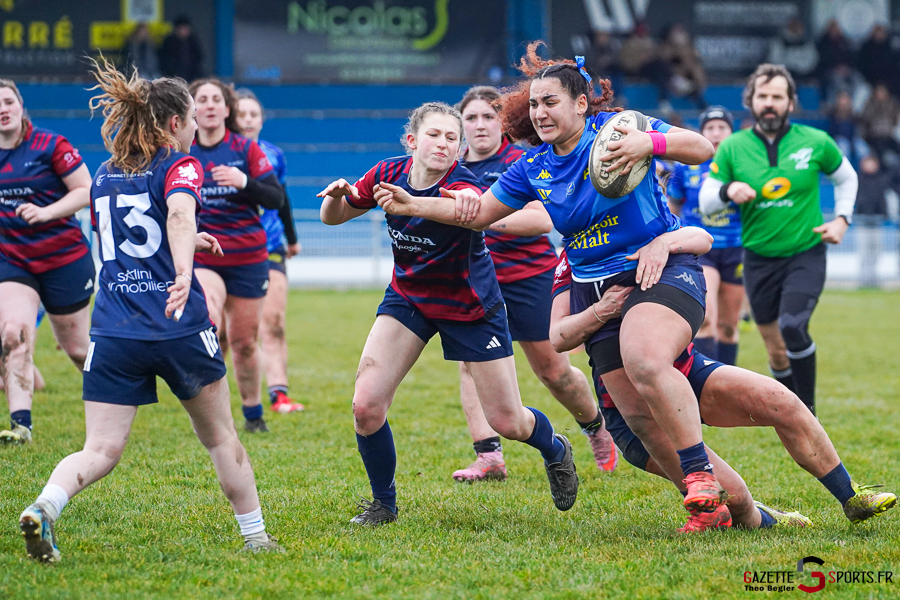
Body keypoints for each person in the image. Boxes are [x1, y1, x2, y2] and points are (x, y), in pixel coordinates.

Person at [375, 43, 732, 525]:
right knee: (623, 400)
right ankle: (712, 492)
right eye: (534, 104)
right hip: (582, 279)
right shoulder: (531, 166)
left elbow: (702, 148)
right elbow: (479, 213)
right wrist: (414, 204)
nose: (539, 113)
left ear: (581, 103)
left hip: (625, 268)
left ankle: (682, 464)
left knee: (571, 368)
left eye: (550, 102)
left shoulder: (620, 126)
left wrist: (651, 143)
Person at [17, 61, 282, 563]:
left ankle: (45, 506)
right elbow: (178, 212)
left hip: (114, 331)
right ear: (174, 124)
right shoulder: (181, 164)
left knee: (100, 449)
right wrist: (183, 270)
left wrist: (183, 240)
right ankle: (256, 536)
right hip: (176, 325)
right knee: (222, 437)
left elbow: (139, 233)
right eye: (186, 121)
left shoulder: (103, 172)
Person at [318, 101, 579, 526]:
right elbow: (336, 217)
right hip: (409, 299)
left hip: (470, 306)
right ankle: (384, 504)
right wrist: (335, 198)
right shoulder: (386, 173)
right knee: (365, 405)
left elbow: (470, 211)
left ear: (458, 150)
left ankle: (555, 448)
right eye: (434, 135)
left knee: (508, 421)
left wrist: (414, 205)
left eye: (451, 138)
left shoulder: (464, 184)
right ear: (412, 141)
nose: (443, 144)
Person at [550, 246, 897, 531]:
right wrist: (601, 310)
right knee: (737, 502)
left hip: (687, 370)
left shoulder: (650, 228)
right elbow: (558, 336)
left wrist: (663, 242)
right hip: (636, 417)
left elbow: (699, 235)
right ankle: (762, 518)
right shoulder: (574, 259)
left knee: (783, 402)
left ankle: (851, 497)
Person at [451, 86, 616, 483]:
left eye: (489, 116)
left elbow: (543, 220)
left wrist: (482, 218)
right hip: (474, 283)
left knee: (554, 372)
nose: (479, 125)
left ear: (503, 122)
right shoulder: (451, 168)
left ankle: (595, 425)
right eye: (471, 118)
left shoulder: (523, 160)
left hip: (529, 277)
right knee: (471, 366)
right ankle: (488, 456)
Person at [699, 64, 859, 416]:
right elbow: (705, 199)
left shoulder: (816, 141)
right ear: (751, 102)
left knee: (793, 326)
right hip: (756, 257)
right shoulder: (733, 148)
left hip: (806, 252)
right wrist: (728, 189)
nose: (769, 103)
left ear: (790, 103)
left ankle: (808, 414)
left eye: (777, 97)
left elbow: (847, 178)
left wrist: (843, 220)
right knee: (774, 349)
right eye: (762, 96)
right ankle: (790, 417)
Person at [189, 78, 286, 432]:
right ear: (192, 109)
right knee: (210, 323)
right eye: (202, 99)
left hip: (247, 256)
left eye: (217, 99)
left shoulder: (245, 149)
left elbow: (275, 198)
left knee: (245, 343)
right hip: (203, 254)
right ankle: (213, 416)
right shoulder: (182, 152)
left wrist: (243, 181)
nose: (210, 105)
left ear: (227, 109)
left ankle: (253, 412)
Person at [0, 79, 94, 445]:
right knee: (13, 333)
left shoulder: (51, 145)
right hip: (13, 261)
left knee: (78, 349)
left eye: (8, 101)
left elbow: (86, 190)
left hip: (63, 258)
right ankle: (21, 425)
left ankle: (116, 400)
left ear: (21, 105)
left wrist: (46, 212)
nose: (2, 109)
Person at [236, 89, 304, 414]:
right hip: (231, 249)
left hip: (270, 245)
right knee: (231, 330)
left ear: (261, 119)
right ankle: (218, 394)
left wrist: (292, 238)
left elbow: (282, 198)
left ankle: (280, 394)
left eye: (254, 114)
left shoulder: (274, 155)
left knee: (273, 321)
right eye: (242, 114)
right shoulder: (220, 155)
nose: (248, 120)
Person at [667, 106, 742, 365]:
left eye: (723, 128)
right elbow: (673, 205)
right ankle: (708, 387)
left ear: (732, 132)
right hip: (701, 248)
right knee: (706, 317)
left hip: (737, 248)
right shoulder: (686, 165)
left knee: (729, 327)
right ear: (702, 133)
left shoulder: (743, 163)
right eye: (710, 128)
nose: (717, 133)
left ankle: (728, 386)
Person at [159, 15, 204, 82]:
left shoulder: (193, 41)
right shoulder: (169, 42)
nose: (184, 31)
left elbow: (199, 57)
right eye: (182, 29)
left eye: (186, 28)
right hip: (173, 76)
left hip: (192, 76)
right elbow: (164, 60)